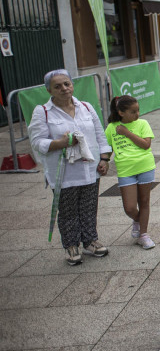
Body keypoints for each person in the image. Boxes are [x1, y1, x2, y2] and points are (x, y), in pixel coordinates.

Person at [29, 70, 112, 265]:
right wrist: (60, 143)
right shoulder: (43, 111)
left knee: (89, 207)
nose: (64, 89)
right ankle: (71, 245)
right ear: (49, 90)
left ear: (72, 85)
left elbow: (100, 135)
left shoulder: (86, 107)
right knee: (68, 211)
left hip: (89, 168)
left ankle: (90, 241)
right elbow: (37, 142)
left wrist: (105, 158)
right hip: (63, 172)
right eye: (57, 86)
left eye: (67, 84)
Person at [105, 95, 156, 249]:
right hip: (125, 170)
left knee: (144, 201)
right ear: (121, 112)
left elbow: (146, 144)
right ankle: (137, 220)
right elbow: (108, 149)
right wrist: (104, 161)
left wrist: (127, 133)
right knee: (130, 207)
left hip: (145, 166)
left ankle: (144, 235)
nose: (137, 114)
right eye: (133, 112)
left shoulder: (143, 124)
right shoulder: (111, 128)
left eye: (138, 110)